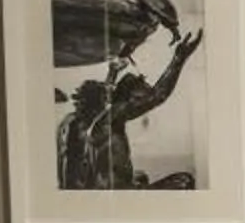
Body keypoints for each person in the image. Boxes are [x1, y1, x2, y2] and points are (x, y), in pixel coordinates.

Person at [53, 15, 203, 190]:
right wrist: (179, 59)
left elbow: (107, 96)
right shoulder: (112, 117)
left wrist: (112, 73)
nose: (142, 105)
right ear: (129, 99)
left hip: (86, 195)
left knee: (141, 176)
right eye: (141, 97)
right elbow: (158, 95)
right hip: (117, 197)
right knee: (184, 181)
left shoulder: (74, 121)